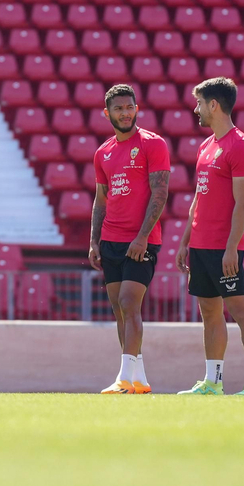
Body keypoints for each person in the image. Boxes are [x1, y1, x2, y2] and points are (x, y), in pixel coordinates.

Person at [175, 76, 244, 396]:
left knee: (242, 311)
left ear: (213, 105)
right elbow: (199, 197)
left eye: (199, 103)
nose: (195, 109)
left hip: (223, 247)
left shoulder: (240, 145)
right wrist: (185, 240)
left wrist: (232, 248)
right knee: (209, 313)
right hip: (200, 246)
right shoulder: (206, 145)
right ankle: (213, 381)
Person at [88, 83, 170, 394]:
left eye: (129, 107)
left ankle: (123, 379)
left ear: (137, 108)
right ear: (107, 113)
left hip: (141, 242)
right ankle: (139, 378)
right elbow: (101, 198)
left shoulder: (153, 144)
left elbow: (160, 192)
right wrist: (94, 241)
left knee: (128, 303)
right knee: (119, 309)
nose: (125, 113)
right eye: (119, 108)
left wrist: (143, 237)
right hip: (110, 240)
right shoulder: (103, 152)